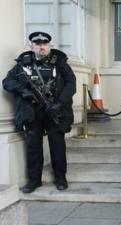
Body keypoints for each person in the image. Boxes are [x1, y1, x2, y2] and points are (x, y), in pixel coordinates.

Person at [3, 31, 76, 193]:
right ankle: (34, 180)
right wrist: (23, 91)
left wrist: (59, 104)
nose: (41, 47)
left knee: (57, 145)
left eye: (44, 44)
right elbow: (7, 82)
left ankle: (60, 178)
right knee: (33, 147)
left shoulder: (60, 63)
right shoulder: (23, 63)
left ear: (49, 46)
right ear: (32, 46)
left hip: (54, 111)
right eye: (38, 44)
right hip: (32, 112)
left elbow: (71, 84)